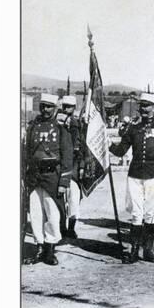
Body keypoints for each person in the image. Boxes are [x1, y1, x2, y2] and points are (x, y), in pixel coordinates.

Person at [109, 93, 154, 264]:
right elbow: (121, 150)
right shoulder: (133, 128)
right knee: (136, 214)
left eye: (147, 106)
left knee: (150, 213)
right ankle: (134, 250)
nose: (144, 109)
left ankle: (148, 250)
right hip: (135, 175)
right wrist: (107, 144)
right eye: (142, 106)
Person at [23, 93, 73, 265]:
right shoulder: (33, 126)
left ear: (55, 108)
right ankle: (39, 247)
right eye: (43, 106)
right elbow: (26, 151)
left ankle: (50, 249)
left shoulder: (60, 127)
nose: (45, 109)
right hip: (34, 176)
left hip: (52, 176)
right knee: (36, 213)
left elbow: (67, 155)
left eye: (49, 106)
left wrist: (64, 182)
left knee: (52, 213)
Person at [57, 95, 84, 239]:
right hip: (60, 164)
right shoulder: (56, 122)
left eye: (70, 107)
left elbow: (82, 146)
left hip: (74, 164)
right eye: (65, 106)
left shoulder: (77, 124)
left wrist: (82, 166)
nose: (67, 109)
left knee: (74, 199)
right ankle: (61, 227)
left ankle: (71, 227)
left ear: (74, 108)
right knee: (60, 199)